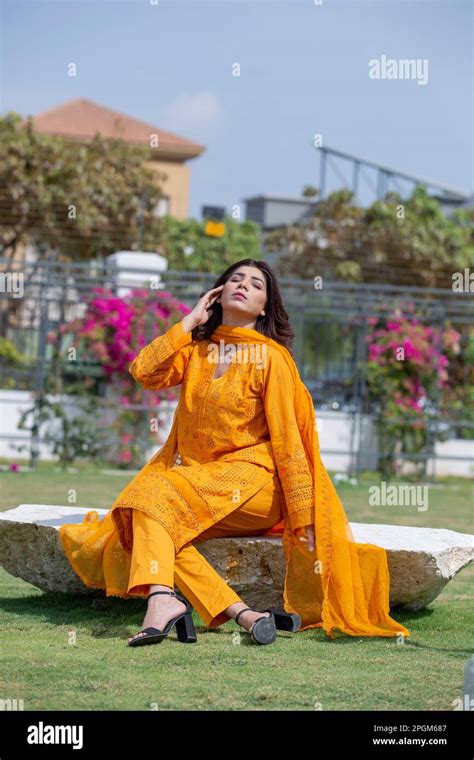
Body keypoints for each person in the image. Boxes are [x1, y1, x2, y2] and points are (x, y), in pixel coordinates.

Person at [59, 259, 410, 647]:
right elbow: (144, 371)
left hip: (256, 487)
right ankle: (229, 610)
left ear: (264, 307)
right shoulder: (197, 351)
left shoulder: (271, 359)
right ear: (218, 293)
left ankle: (171, 603)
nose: (242, 285)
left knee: (149, 495)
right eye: (234, 279)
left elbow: (289, 440)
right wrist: (190, 321)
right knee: (150, 519)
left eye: (255, 284)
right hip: (199, 485)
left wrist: (303, 514)